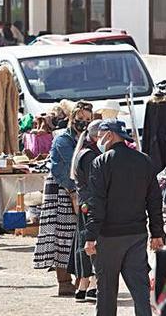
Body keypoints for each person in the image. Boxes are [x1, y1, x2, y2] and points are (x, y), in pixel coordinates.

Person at [83, 120, 164, 316]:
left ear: (109, 135)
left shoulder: (101, 162)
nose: (98, 139)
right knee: (140, 289)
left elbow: (97, 203)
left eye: (100, 134)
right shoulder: (144, 160)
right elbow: (154, 200)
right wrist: (157, 233)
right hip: (136, 235)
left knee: (107, 293)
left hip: (109, 237)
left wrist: (90, 236)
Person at [34, 100, 92, 296]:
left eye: (87, 119)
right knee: (63, 235)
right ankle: (64, 281)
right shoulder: (63, 139)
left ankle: (79, 279)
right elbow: (70, 168)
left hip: (78, 189)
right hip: (62, 189)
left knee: (78, 234)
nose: (83, 122)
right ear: (72, 117)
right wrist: (74, 194)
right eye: (80, 118)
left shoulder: (85, 139)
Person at [68, 121, 102, 302]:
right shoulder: (90, 155)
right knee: (92, 243)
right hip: (91, 204)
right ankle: (90, 284)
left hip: (85, 203)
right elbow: (95, 183)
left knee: (86, 243)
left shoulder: (84, 152)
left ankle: (84, 286)